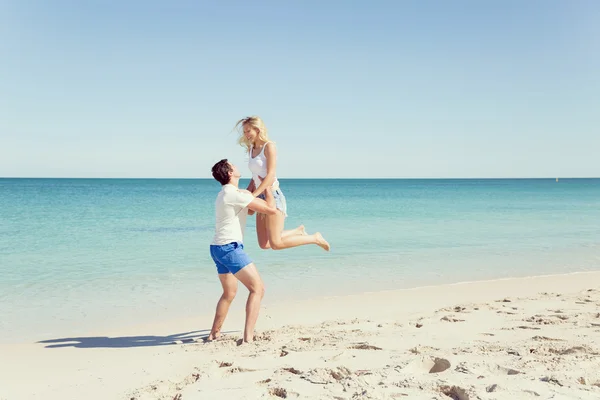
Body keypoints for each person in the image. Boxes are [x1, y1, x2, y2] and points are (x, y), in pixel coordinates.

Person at [207, 158, 278, 344]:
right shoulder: (235, 194)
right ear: (230, 173)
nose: (237, 166)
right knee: (258, 289)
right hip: (230, 248)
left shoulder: (226, 193)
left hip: (217, 248)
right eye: (234, 166)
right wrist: (268, 187)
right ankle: (248, 338)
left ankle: (214, 333)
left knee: (229, 293)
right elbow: (270, 209)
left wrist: (255, 183)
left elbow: (250, 208)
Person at [234, 116, 330, 251]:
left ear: (257, 129)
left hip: (272, 195)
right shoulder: (251, 149)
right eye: (244, 132)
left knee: (276, 244)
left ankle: (314, 238)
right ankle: (298, 231)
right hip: (260, 196)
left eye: (248, 131)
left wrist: (254, 195)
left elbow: (270, 175)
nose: (246, 135)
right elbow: (255, 176)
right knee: (264, 244)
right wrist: (247, 193)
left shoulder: (269, 146)